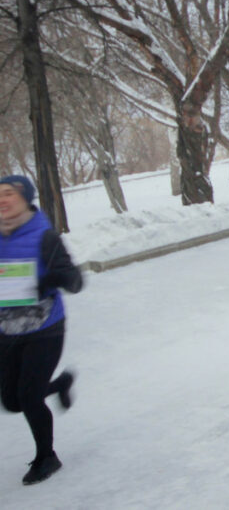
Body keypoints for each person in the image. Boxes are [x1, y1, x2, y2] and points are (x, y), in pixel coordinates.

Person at [0, 175, 82, 485]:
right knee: (11, 401)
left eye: (9, 193)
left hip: (45, 328)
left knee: (30, 397)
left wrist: (46, 282)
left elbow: (75, 281)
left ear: (25, 198)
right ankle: (59, 384)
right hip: (6, 329)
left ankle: (47, 457)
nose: (3, 200)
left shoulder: (45, 237)